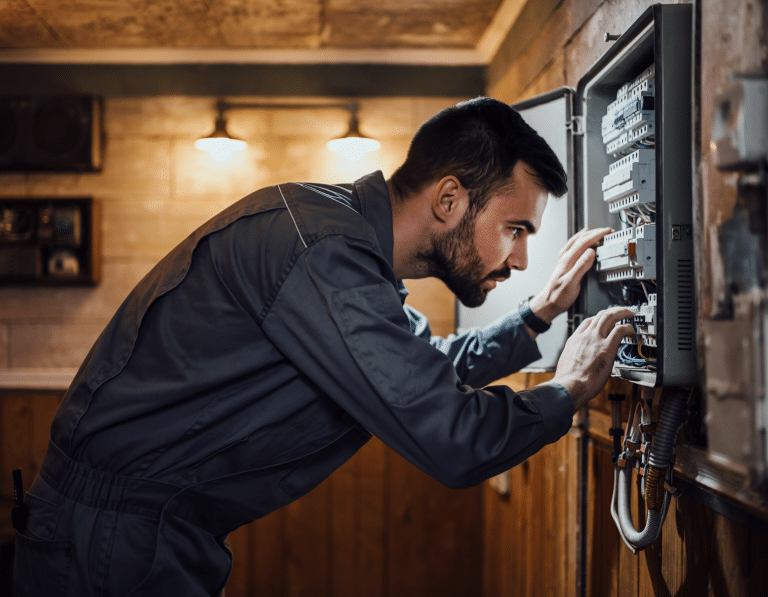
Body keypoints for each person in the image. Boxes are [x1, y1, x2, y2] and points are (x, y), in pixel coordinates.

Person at [12, 97, 633, 596]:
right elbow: (452, 436)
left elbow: (425, 370)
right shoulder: (323, 253)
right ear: (449, 201)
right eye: (515, 230)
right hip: (109, 539)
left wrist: (538, 315)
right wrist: (568, 390)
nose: (522, 259)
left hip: (139, 534)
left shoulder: (348, 253)